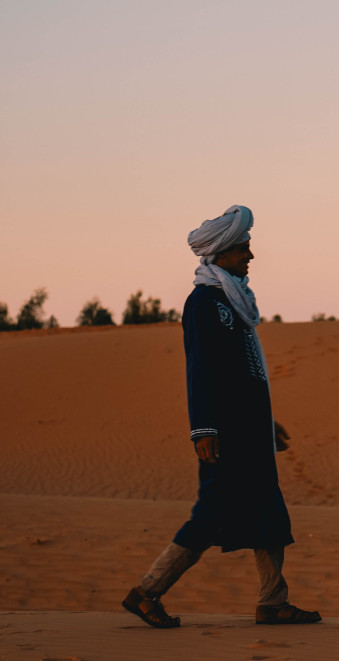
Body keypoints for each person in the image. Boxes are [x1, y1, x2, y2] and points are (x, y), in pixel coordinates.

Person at [122, 204, 320, 628]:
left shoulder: (235, 302)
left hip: (250, 430)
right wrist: (204, 429)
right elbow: (201, 368)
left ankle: (273, 602)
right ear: (222, 253)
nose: (250, 256)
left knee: (269, 511)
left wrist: (267, 422)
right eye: (243, 248)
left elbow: (243, 374)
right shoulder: (205, 303)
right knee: (212, 515)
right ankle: (146, 592)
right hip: (225, 432)